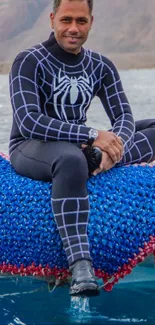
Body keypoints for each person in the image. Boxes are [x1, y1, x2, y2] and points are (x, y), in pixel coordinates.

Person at [9, 0, 155, 296]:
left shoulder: (100, 65)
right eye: (66, 20)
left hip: (86, 147)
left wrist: (114, 146)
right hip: (33, 146)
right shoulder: (29, 60)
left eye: (81, 21)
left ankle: (99, 160)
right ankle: (80, 265)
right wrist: (91, 134)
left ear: (91, 22)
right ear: (52, 20)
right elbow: (29, 120)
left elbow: (124, 116)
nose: (73, 28)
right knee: (72, 159)